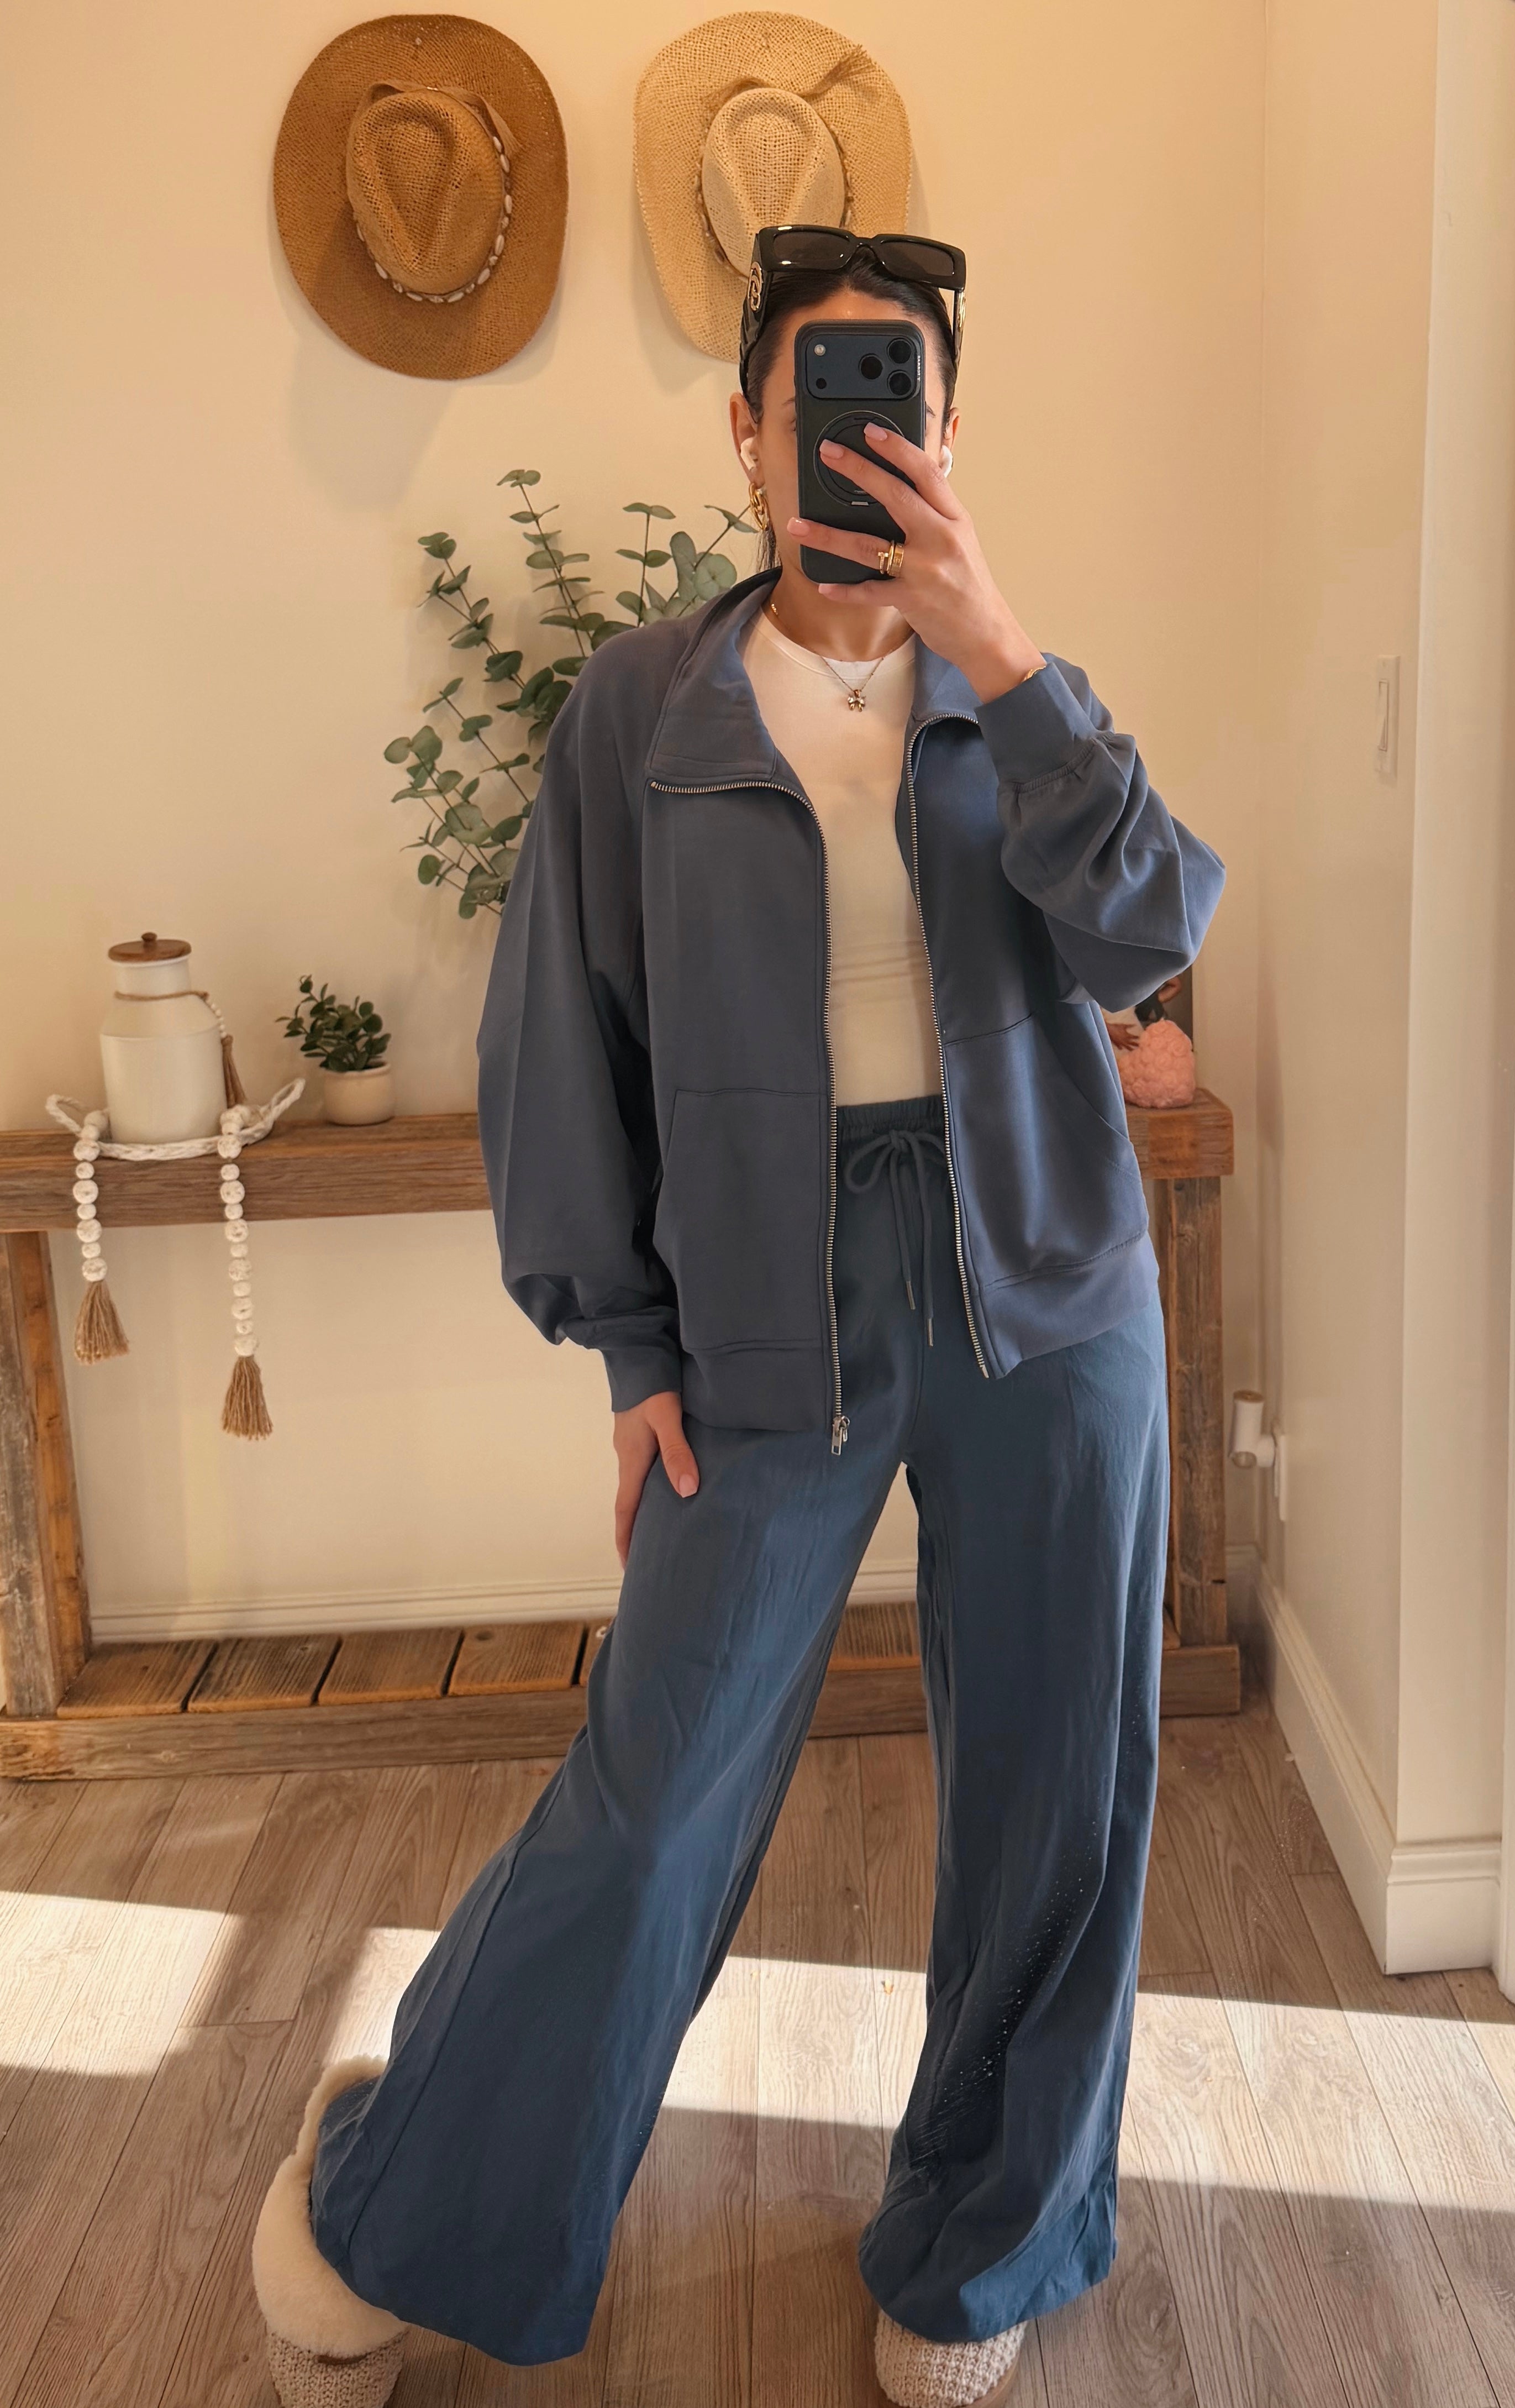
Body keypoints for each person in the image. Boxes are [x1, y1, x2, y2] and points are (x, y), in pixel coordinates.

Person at [250, 226, 1225, 2408]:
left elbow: (1149, 924)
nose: (854, 439)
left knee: (1060, 1785)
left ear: (946, 434)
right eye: (815, 400)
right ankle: (403, 2197)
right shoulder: (642, 709)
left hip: (1049, 1285)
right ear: (747, 432)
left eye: (899, 404)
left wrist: (1004, 653)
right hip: (774, 1292)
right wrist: (629, 1350)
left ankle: (984, 2241)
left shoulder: (1018, 692)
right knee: (659, 1783)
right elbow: (560, 1042)